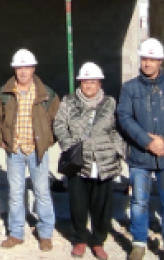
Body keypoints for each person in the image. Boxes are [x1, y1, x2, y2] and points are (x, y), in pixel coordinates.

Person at [117, 38, 164, 260]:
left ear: (160, 61)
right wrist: (146, 141)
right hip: (140, 155)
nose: (147, 63)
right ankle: (138, 242)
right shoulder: (130, 88)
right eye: (145, 58)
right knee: (139, 201)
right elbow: (124, 117)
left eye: (152, 59)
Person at [53, 62, 126, 260]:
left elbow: (118, 129)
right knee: (78, 204)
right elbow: (59, 125)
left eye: (93, 82)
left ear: (100, 83)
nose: (89, 86)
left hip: (104, 160)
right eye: (85, 82)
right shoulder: (69, 101)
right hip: (79, 162)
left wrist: (118, 150)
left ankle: (98, 241)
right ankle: (79, 239)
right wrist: (69, 146)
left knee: (102, 206)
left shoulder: (110, 103)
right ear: (80, 83)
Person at [0, 48, 60, 251]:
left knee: (42, 192)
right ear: (14, 70)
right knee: (15, 192)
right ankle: (16, 233)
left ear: (33, 69)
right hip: (14, 150)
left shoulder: (47, 94)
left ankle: (45, 234)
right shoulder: (4, 93)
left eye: (26, 67)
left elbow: (56, 121)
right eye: (19, 67)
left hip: (36, 150)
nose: (23, 71)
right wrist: (1, 140)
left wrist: (46, 142)